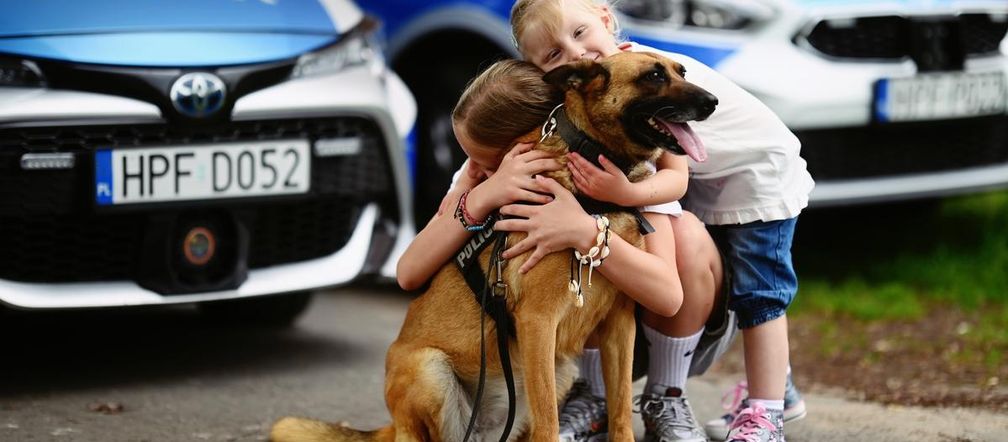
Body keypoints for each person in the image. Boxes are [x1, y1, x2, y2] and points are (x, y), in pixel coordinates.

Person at [509, 1, 815, 441]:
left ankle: (767, 411)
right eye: (553, 55)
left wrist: (625, 194)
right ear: (535, 68)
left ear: (606, 19)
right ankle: (601, 398)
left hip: (758, 180)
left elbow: (675, 175)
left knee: (760, 297)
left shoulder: (642, 73)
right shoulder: (589, 86)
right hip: (711, 189)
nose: (574, 55)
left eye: (579, 34)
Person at [396, 57, 730, 441]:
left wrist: (623, 432)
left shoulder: (638, 185)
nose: (475, 170)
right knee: (425, 368)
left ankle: (630, 414)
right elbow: (409, 272)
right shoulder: (509, 181)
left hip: (521, 381)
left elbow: (628, 312)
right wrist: (475, 193)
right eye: (475, 164)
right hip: (458, 369)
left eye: (480, 163)